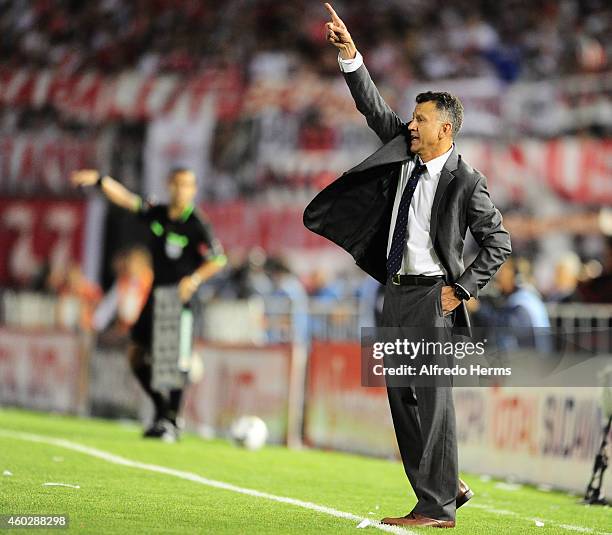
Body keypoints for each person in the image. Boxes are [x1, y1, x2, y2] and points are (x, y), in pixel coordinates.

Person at [303, 4, 512, 528]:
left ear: (445, 129)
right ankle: (444, 486)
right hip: (394, 288)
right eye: (412, 118)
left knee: (434, 401)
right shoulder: (403, 149)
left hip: (431, 296)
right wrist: (350, 56)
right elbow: (372, 108)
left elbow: (498, 242)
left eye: (420, 119)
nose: (410, 124)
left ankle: (438, 508)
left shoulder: (467, 181)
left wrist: (461, 288)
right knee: (402, 397)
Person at [72, 167, 226, 441]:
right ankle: (162, 409)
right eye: (179, 184)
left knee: (170, 365)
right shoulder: (159, 213)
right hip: (154, 296)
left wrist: (193, 279)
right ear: (170, 185)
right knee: (135, 356)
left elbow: (217, 258)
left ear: (194, 190)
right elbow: (126, 199)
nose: (183, 191)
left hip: (175, 300)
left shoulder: (197, 223)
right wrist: (100, 181)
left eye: (189, 186)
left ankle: (171, 423)